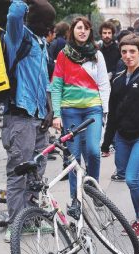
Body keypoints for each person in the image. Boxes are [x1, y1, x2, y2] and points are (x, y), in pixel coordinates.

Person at [3, 0, 56, 241]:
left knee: (36, 171)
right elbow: (14, 14)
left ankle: (31, 218)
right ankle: (14, 223)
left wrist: (49, 108)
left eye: (50, 22)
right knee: (19, 172)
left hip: (38, 118)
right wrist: (26, 2)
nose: (48, 27)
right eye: (44, 22)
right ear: (31, 19)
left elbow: (44, 79)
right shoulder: (18, 37)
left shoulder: (41, 43)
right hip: (20, 117)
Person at [102, 33, 139, 238]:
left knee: (132, 179)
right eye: (124, 52)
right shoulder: (118, 80)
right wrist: (106, 142)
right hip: (123, 137)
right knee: (129, 178)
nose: (128, 56)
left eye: (132, 52)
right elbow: (113, 114)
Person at [50, 17, 110, 213]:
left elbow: (103, 84)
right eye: (78, 28)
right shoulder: (63, 55)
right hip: (70, 112)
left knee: (93, 150)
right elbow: (56, 86)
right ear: (72, 31)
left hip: (93, 109)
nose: (82, 31)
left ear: (90, 31)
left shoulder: (97, 55)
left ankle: (94, 191)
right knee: (73, 158)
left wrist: (105, 110)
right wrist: (57, 114)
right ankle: (75, 199)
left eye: (85, 28)